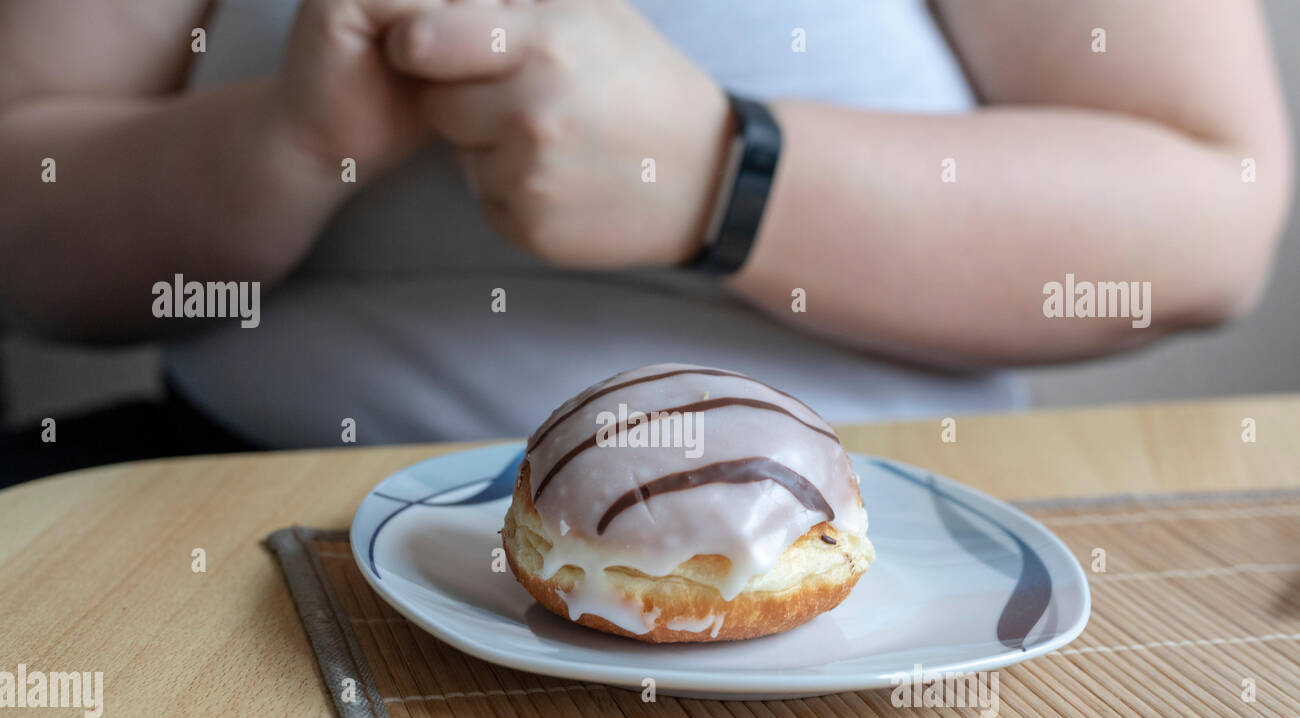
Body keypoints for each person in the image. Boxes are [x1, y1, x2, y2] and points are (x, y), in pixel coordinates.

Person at [0, 0, 1292, 478]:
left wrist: (719, 174)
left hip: (879, 548)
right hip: (234, 516)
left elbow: (1211, 216)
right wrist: (280, 147)